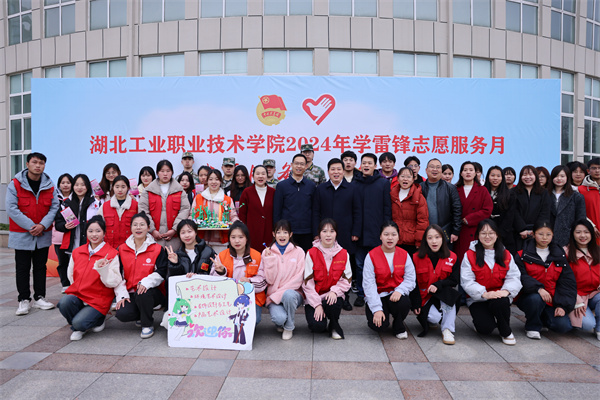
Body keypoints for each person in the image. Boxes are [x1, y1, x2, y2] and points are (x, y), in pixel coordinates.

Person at [7, 152, 59, 315]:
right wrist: (31, 226)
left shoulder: (49, 185)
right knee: (22, 267)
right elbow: (11, 208)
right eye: (35, 162)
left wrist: (42, 225)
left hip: (42, 234)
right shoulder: (15, 184)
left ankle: (40, 297)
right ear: (27, 164)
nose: (38, 165)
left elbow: (54, 207)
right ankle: (23, 299)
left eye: (41, 163)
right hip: (22, 234)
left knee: (40, 267)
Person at [57, 215, 122, 340]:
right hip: (79, 295)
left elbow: (114, 281)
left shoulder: (111, 254)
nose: (94, 234)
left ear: (104, 233)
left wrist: (103, 270)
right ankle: (81, 323)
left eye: (98, 231)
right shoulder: (77, 252)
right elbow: (71, 275)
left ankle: (96, 320)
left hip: (98, 300)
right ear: (86, 232)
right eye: (90, 231)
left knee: (79, 323)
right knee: (64, 302)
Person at [460, 219, 522, 345]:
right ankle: (485, 320)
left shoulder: (506, 254)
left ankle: (506, 331)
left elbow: (514, 276)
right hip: (478, 298)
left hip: (499, 296)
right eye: (483, 233)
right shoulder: (469, 255)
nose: (487, 236)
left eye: (491, 233)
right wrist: (484, 293)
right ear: (478, 235)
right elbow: (467, 280)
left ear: (497, 235)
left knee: (501, 303)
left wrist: (506, 291)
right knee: (485, 329)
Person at [312, 158, 362, 311]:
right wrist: (316, 233)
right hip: (325, 234)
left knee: (343, 266)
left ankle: (344, 297)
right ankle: (324, 294)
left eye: (339, 169)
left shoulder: (352, 188)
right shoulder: (321, 189)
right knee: (326, 266)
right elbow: (315, 212)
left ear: (343, 171)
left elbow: (357, 212)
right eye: (333, 169)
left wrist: (356, 232)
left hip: (346, 233)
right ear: (328, 172)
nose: (336, 172)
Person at [514, 221, 576, 339]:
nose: (544, 238)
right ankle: (532, 326)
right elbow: (521, 276)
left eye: (548, 234)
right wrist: (538, 288)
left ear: (553, 235)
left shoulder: (559, 255)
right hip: (529, 297)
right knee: (535, 299)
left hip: (552, 300)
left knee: (563, 326)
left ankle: (541, 318)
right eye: (540, 234)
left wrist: (562, 306)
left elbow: (567, 283)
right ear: (533, 234)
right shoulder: (522, 255)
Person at [115, 212, 168, 339]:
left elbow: (162, 271)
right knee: (122, 314)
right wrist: (122, 295)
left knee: (142, 293)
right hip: (131, 292)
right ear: (131, 228)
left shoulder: (157, 249)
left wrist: (145, 282)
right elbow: (118, 275)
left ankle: (147, 324)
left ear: (148, 228)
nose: (138, 228)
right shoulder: (122, 249)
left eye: (142, 225)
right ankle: (141, 315)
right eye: (135, 225)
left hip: (152, 292)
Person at [363, 221, 416, 339]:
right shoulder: (371, 255)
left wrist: (400, 290)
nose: (390, 238)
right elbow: (368, 284)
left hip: (395, 295)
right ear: (380, 236)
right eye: (386, 234)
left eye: (393, 234)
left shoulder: (404, 255)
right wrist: (376, 309)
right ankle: (381, 314)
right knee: (379, 326)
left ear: (398, 237)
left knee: (404, 302)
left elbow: (411, 279)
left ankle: (398, 324)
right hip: (378, 295)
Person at [353, 153, 392, 307]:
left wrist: (385, 231)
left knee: (378, 266)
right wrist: (354, 232)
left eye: (370, 163)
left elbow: (387, 208)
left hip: (377, 231)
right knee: (360, 265)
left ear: (376, 166)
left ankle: (377, 293)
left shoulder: (383, 183)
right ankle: (361, 294)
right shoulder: (355, 183)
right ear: (361, 165)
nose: (366, 165)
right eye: (364, 163)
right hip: (360, 233)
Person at [410, 224, 460, 344]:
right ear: (425, 240)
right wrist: (415, 302)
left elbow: (454, 280)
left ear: (442, 238)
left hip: (443, 295)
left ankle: (447, 330)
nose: (434, 241)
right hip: (424, 298)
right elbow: (412, 282)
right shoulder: (416, 257)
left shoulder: (452, 257)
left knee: (450, 294)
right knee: (434, 318)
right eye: (430, 237)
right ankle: (434, 320)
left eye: (437, 237)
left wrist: (439, 284)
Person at [303, 218, 352, 339]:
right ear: (319, 234)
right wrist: (317, 305)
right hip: (315, 297)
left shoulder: (344, 254)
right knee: (317, 327)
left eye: (332, 231)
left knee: (333, 303)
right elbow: (307, 284)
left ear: (336, 233)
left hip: (333, 296)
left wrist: (334, 291)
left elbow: (347, 280)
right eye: (324, 231)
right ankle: (322, 318)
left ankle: (334, 325)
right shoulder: (311, 253)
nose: (328, 235)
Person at [210, 221, 266, 324]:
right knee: (226, 320)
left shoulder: (257, 256)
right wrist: (221, 272)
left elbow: (263, 281)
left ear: (246, 238)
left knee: (254, 320)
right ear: (229, 239)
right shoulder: (222, 256)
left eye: (241, 237)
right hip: (227, 297)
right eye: (233, 237)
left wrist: (249, 281)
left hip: (252, 297)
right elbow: (214, 282)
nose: (237, 241)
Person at [261, 220, 305, 340]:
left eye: (285, 232)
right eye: (278, 232)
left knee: (288, 295)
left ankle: (289, 326)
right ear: (273, 234)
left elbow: (299, 279)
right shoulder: (267, 252)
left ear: (290, 234)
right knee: (279, 319)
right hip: (274, 297)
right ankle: (282, 322)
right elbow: (269, 280)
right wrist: (269, 261)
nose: (282, 235)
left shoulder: (299, 252)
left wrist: (279, 294)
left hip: (293, 294)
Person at [139, 159, 191, 249]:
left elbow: (185, 209)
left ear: (172, 173)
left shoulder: (179, 190)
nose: (165, 174)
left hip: (175, 237)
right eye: (162, 171)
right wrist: (152, 230)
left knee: (174, 256)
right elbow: (143, 210)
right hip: (153, 237)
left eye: (168, 171)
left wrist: (174, 229)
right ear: (157, 173)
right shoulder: (148, 191)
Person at [564, 220, 600, 340]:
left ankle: (599, 328)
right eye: (578, 232)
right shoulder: (566, 253)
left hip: (594, 294)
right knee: (588, 324)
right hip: (575, 296)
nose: (583, 235)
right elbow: (562, 282)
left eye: (586, 232)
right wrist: (577, 300)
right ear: (572, 234)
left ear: (592, 234)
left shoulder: (598, 251)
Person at [273, 154, 316, 252]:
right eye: (296, 163)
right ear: (292, 165)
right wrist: (277, 231)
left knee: (305, 258)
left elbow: (314, 210)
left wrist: (315, 231)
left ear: (306, 166)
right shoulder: (282, 186)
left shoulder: (311, 186)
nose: (299, 166)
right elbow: (277, 211)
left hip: (306, 231)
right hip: (287, 232)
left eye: (302, 164)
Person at [191, 169, 239, 253]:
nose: (214, 182)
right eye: (211, 179)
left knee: (220, 260)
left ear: (220, 181)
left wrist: (238, 224)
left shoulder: (227, 199)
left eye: (217, 179)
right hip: (201, 240)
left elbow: (233, 216)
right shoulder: (199, 198)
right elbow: (192, 215)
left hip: (221, 241)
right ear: (207, 181)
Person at [455, 161, 493, 262]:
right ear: (461, 173)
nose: (468, 172)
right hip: (459, 231)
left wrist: (469, 219)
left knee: (475, 260)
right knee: (460, 259)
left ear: (475, 173)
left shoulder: (482, 190)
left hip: (476, 230)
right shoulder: (455, 189)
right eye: (465, 170)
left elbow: (487, 210)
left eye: (471, 170)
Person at [55, 174, 101, 255]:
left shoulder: (96, 204)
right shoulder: (66, 204)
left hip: (91, 245)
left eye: (83, 185)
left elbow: (102, 224)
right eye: (76, 185)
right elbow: (58, 224)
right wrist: (65, 226)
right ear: (73, 186)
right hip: (72, 245)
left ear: (88, 186)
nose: (79, 188)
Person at [420, 158, 462, 247]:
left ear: (441, 171)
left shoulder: (450, 188)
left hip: (445, 232)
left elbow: (457, 210)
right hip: (424, 232)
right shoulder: (420, 188)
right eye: (432, 167)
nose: (435, 169)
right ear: (426, 170)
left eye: (438, 167)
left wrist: (455, 231)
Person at [513, 165, 552, 251]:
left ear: (535, 176)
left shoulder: (543, 193)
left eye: (531, 174)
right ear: (520, 177)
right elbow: (514, 212)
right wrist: (522, 229)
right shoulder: (513, 192)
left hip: (537, 233)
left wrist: (536, 230)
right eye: (525, 174)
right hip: (518, 232)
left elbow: (545, 213)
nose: (528, 177)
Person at [391, 167, 429, 254]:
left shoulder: (419, 197)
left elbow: (423, 220)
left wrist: (419, 240)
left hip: (411, 241)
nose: (405, 179)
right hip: (394, 240)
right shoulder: (392, 195)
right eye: (402, 176)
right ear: (397, 178)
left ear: (413, 179)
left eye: (408, 177)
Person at [547, 165, 586, 247]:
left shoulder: (576, 196)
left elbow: (580, 218)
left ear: (567, 177)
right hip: (547, 236)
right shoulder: (545, 195)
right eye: (556, 176)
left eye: (562, 176)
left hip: (568, 237)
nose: (559, 179)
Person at [239, 165, 275, 252]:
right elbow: (242, 214)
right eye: (258, 174)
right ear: (253, 176)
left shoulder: (273, 192)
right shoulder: (247, 192)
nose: (260, 176)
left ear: (267, 176)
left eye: (263, 174)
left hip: (269, 232)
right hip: (252, 232)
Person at [97, 175, 139, 249]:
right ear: (113, 188)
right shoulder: (105, 206)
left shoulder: (136, 206)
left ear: (128, 188)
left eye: (123, 187)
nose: (120, 190)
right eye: (117, 187)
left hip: (131, 247)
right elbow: (98, 226)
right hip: (109, 248)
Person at [484, 166, 516, 252]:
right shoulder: (482, 192)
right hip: (485, 233)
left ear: (502, 178)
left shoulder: (510, 194)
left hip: (505, 234)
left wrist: (500, 233)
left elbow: (510, 216)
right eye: (492, 175)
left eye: (498, 176)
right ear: (488, 177)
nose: (495, 178)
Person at [52, 173, 74, 292]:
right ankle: (65, 284)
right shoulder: (54, 199)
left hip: (73, 236)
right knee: (62, 262)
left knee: (74, 262)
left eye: (68, 182)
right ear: (59, 184)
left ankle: (75, 283)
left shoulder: (76, 198)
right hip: (59, 236)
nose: (65, 185)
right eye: (63, 182)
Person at [578, 157, 600, 244]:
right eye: (594, 168)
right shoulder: (580, 190)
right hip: (590, 233)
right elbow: (579, 211)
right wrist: (591, 225)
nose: (597, 171)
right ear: (588, 171)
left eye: (599, 168)